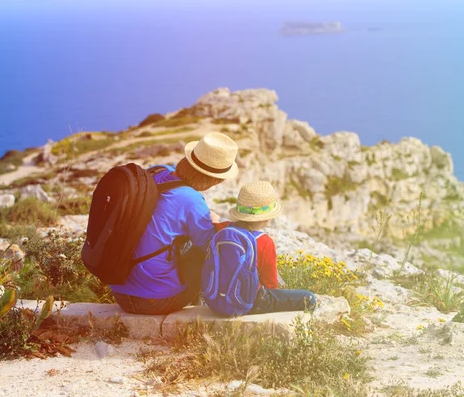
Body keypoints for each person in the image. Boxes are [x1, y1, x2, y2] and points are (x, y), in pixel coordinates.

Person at [110, 132, 239, 315]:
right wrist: (214, 221)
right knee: (210, 252)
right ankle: (220, 307)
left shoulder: (156, 172)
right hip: (154, 301)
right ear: (211, 180)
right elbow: (209, 248)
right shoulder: (191, 199)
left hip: (121, 292)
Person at [214, 181, 317, 314]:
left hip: (216, 301)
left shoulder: (223, 229)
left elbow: (213, 221)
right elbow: (271, 285)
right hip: (249, 304)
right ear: (267, 218)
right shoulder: (264, 241)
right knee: (309, 298)